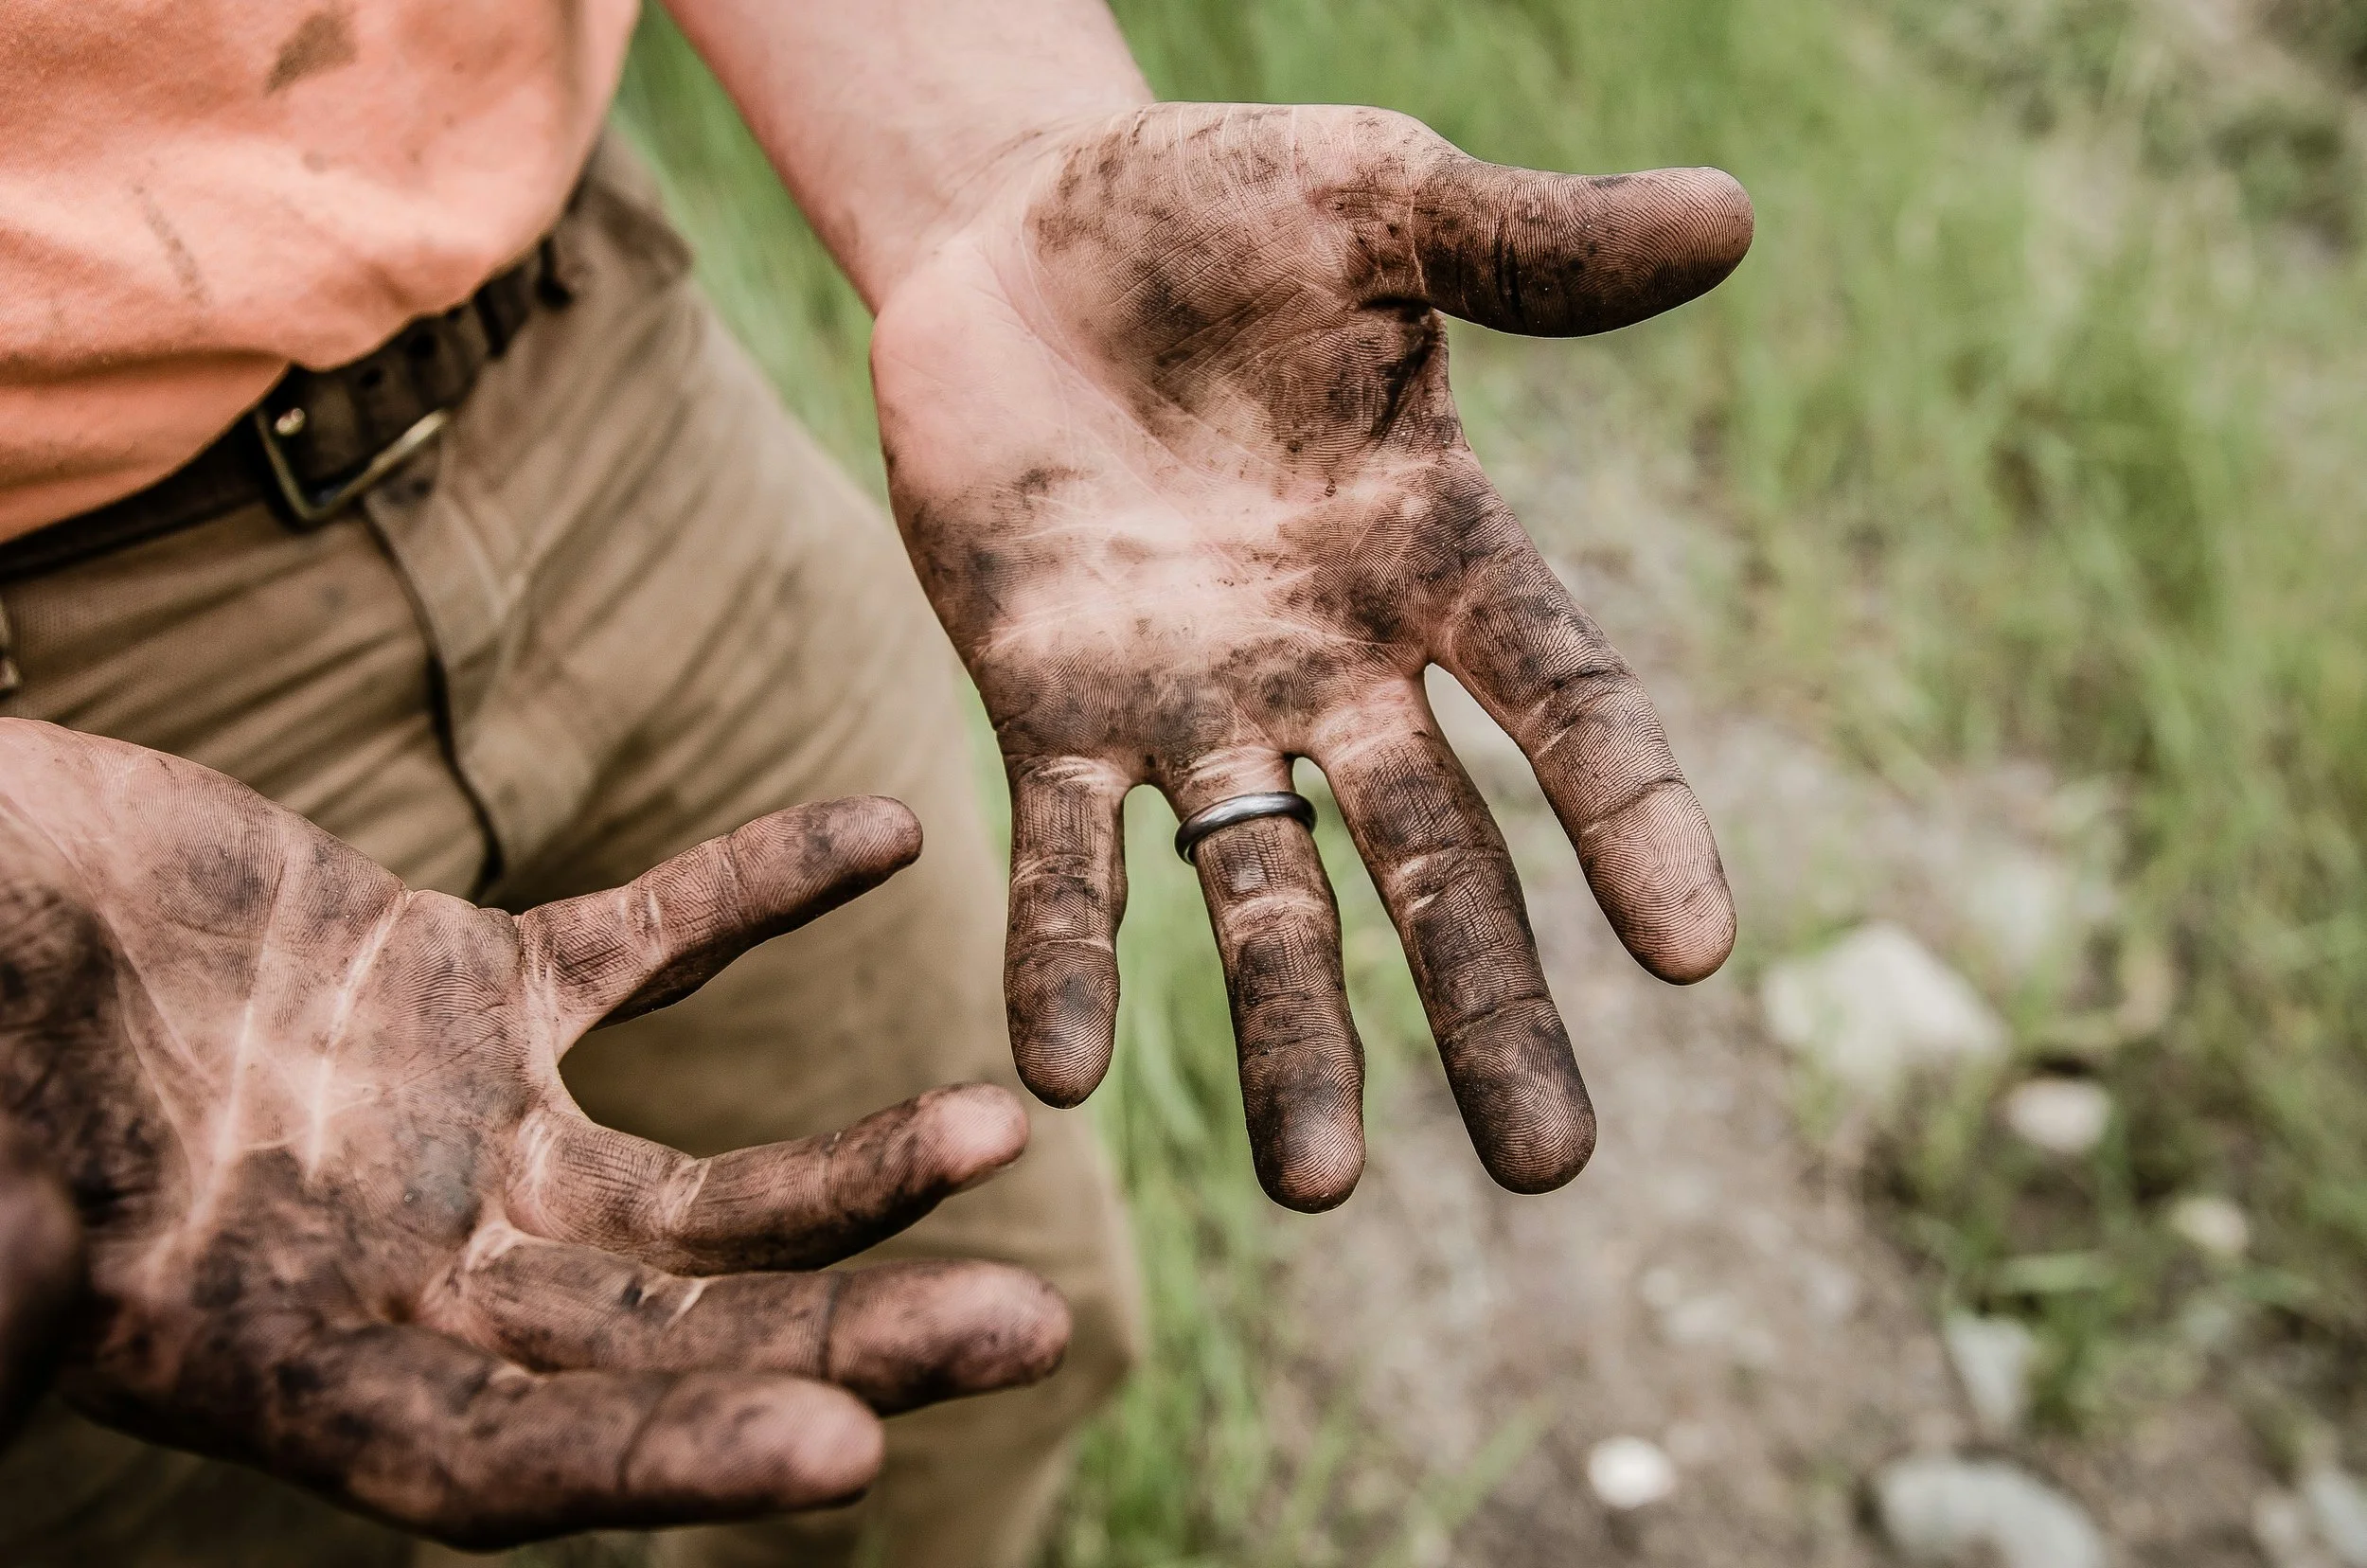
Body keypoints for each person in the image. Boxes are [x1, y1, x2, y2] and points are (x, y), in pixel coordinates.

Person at [0, 1, 1751, 1562]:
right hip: (55, 696)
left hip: (585, 381)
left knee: (975, 1352)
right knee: (202, 1488)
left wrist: (990, 159)